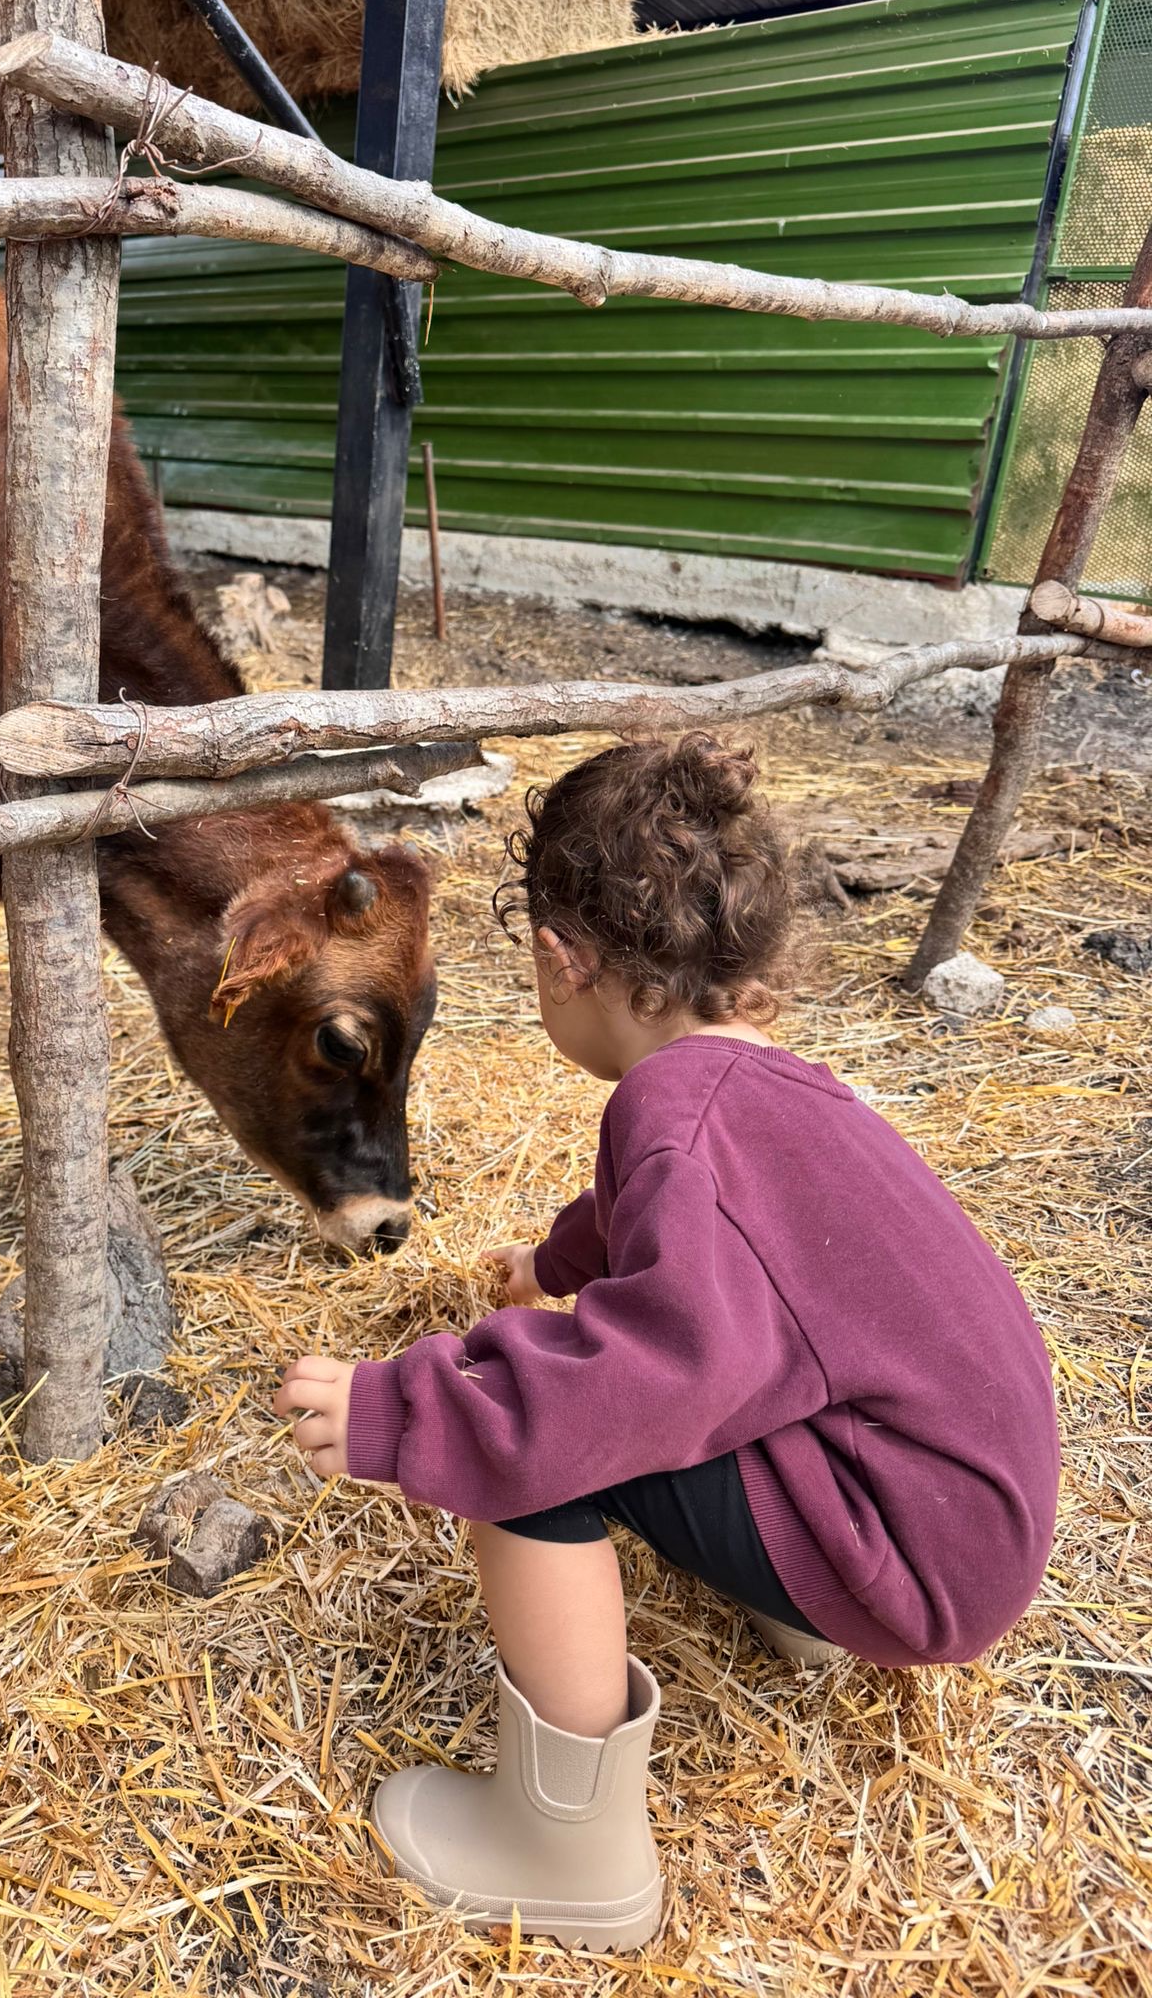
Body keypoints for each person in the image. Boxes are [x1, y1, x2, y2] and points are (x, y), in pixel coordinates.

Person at [274, 734, 1059, 1952]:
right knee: (591, 1359)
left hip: (910, 1554)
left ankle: (568, 1852)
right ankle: (802, 1608)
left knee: (531, 1427)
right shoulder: (770, 1084)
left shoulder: (670, 1110)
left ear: (561, 958)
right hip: (959, 1505)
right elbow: (684, 1229)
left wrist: (405, 1409)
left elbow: (643, 1376)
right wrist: (552, 1262)